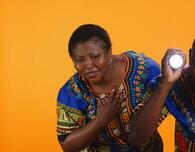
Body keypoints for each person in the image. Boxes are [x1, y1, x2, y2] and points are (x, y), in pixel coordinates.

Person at [56, 24, 164, 152]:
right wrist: (100, 120)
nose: (88, 65)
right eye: (80, 60)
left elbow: (139, 137)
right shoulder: (72, 92)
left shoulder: (146, 70)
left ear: (109, 52)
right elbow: (67, 145)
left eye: (95, 57)